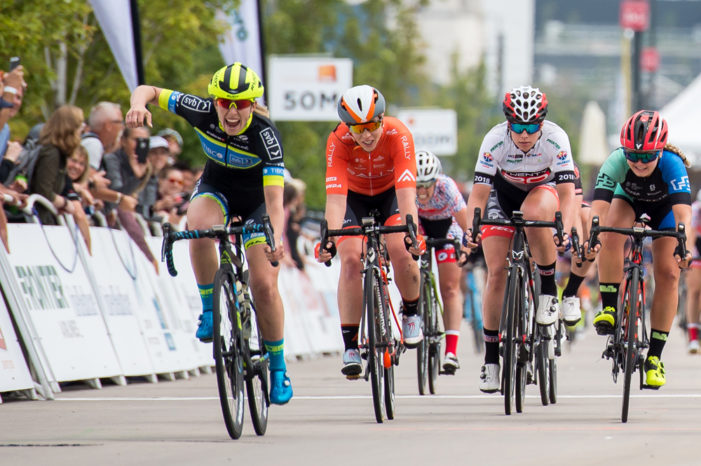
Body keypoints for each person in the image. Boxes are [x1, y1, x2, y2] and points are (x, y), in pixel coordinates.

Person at [125, 62, 292, 405]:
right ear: (214, 100)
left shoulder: (265, 135)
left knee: (264, 285)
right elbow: (149, 90)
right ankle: (209, 310)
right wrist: (138, 105)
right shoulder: (200, 110)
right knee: (198, 227)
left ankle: (278, 367)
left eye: (241, 104)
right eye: (224, 103)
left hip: (257, 203)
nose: (231, 112)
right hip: (217, 190)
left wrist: (275, 238)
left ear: (252, 104)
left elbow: (275, 202)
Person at [463, 85, 577, 393]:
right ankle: (491, 360)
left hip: (542, 191)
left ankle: (548, 291)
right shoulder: (494, 140)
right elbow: (479, 195)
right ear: (508, 123)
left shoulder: (556, 138)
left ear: (542, 122)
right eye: (517, 127)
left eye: (531, 127)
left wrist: (564, 229)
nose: (524, 134)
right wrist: (471, 229)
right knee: (496, 273)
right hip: (503, 196)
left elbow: (568, 194)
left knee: (533, 213)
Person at [315, 85, 425, 378]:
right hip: (354, 199)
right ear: (347, 127)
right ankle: (351, 346)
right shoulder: (337, 141)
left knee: (401, 248)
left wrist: (412, 233)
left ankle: (411, 311)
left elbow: (406, 192)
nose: (366, 135)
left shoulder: (398, 134)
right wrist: (329, 239)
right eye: (358, 128)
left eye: (372, 126)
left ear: (382, 119)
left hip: (391, 195)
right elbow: (335, 199)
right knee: (351, 259)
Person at [588, 110, 692, 388]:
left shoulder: (672, 163)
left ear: (660, 150)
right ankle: (610, 308)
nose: (639, 162)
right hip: (628, 201)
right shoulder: (616, 160)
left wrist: (684, 248)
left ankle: (655, 358)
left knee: (668, 273)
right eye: (633, 155)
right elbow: (598, 208)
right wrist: (592, 237)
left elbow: (683, 214)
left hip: (665, 210)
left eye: (648, 156)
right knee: (609, 234)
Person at [414, 149, 470, 374]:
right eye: (417, 185)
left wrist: (466, 248)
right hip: (420, 226)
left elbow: (466, 226)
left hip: (448, 227)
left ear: (436, 181)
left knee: (449, 288)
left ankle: (451, 352)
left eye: (427, 185)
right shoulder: (406, 189)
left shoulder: (447, 187)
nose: (422, 191)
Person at [28, 105, 84, 224]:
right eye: (79, 126)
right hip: (37, 220)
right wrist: (65, 203)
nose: (81, 131)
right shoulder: (52, 153)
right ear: (70, 128)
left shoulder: (55, 151)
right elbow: (43, 190)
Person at [82, 102, 124, 170]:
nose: (122, 127)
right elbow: (89, 175)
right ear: (108, 126)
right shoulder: (93, 145)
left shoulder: (92, 142)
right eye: (120, 122)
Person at [685, 190, 701, 353]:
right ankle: (693, 337)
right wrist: (688, 255)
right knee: (695, 290)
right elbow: (691, 235)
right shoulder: (696, 209)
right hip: (697, 248)